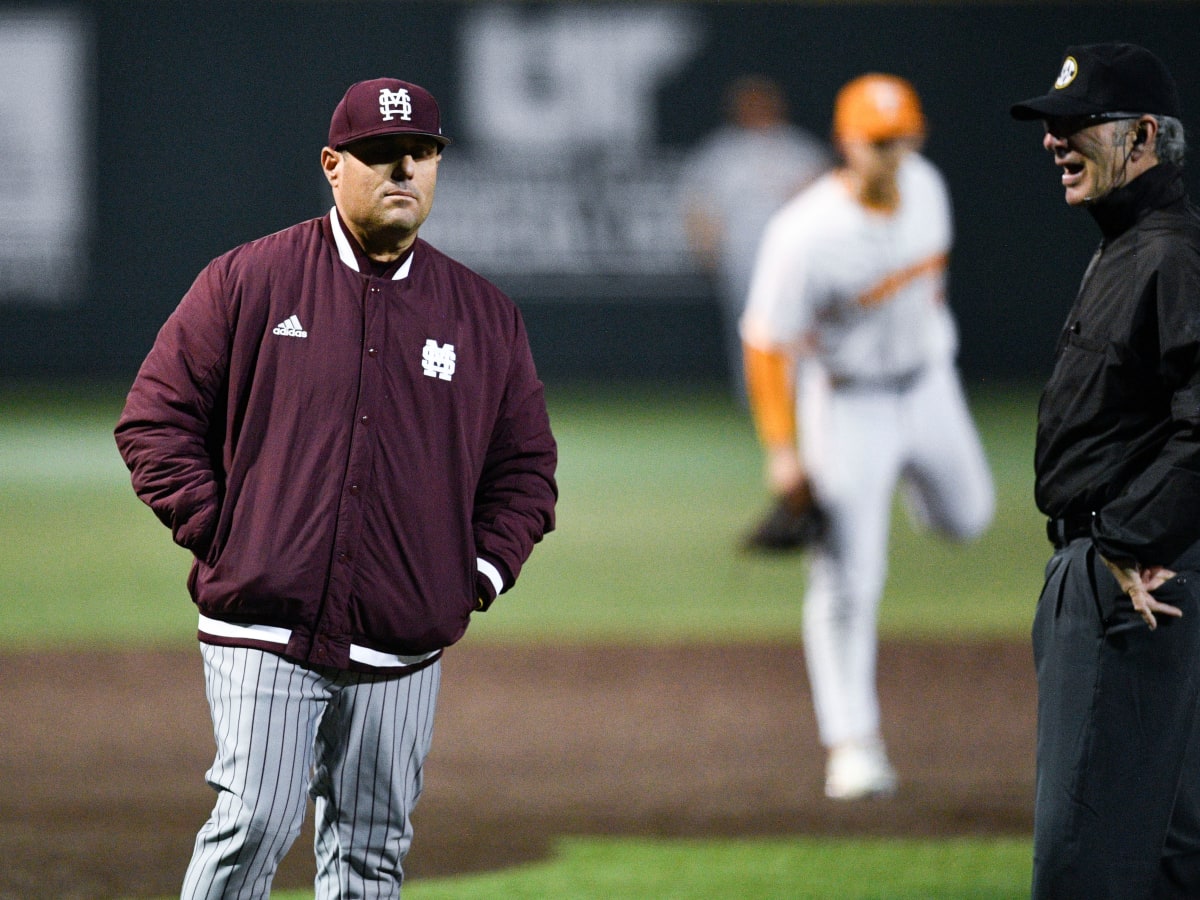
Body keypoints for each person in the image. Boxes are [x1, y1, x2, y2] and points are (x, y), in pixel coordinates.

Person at [114, 78, 558, 898]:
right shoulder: (250, 280)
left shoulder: (483, 314)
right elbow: (154, 420)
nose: (404, 171)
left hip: (402, 638)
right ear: (331, 165)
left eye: (420, 154)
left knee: (371, 854)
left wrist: (473, 575)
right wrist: (227, 534)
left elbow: (526, 469)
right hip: (265, 623)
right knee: (256, 822)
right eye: (381, 155)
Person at [739, 73, 995, 800]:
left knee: (969, 518)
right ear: (847, 143)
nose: (893, 151)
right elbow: (765, 343)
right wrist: (784, 450)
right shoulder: (804, 233)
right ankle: (851, 744)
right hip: (848, 406)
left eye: (903, 136)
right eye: (878, 140)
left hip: (929, 385)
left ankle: (907, 478)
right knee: (850, 579)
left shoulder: (930, 189)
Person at [1011, 43, 1200, 898]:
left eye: (1077, 123)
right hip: (1138, 567)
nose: (1054, 141)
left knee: (1085, 862)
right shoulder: (1131, 247)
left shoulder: (1169, 254)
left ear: (1145, 135)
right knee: (1166, 849)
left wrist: (1129, 535)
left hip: (1132, 580)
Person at [678, 74, 831, 401]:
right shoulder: (721, 153)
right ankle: (758, 398)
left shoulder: (798, 148)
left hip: (796, 256)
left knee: (803, 325)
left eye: (762, 101)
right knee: (753, 327)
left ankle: (806, 394)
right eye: (748, 102)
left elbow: (828, 198)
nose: (756, 108)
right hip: (744, 255)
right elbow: (699, 204)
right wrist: (706, 246)